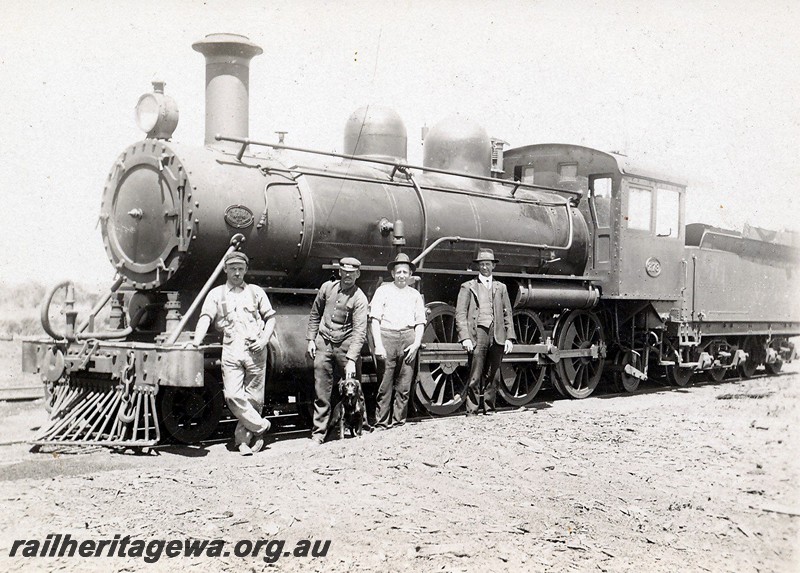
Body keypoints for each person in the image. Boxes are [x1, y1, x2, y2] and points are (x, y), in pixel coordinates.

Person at [190, 251, 276, 455]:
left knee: (254, 399)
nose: (237, 273)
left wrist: (264, 340)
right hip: (231, 350)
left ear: (246, 270)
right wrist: (196, 340)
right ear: (225, 270)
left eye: (240, 269)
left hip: (255, 350)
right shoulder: (216, 294)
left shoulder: (256, 292)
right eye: (233, 269)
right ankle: (261, 427)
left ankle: (243, 442)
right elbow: (205, 317)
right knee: (232, 396)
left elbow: (271, 318)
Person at [306, 257, 369, 445]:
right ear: (340, 272)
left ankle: (362, 428)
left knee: (355, 388)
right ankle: (319, 433)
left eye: (352, 273)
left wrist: (351, 359)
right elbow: (315, 314)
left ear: (358, 274)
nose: (348, 276)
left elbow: (360, 331)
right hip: (324, 342)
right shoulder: (327, 288)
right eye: (345, 272)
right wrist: (311, 339)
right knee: (321, 389)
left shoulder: (360, 298)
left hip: (346, 345)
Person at [455, 248, 516, 415]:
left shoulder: (501, 288)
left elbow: (507, 312)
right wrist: (465, 337)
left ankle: (489, 408)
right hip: (478, 333)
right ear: (478, 266)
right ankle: (472, 409)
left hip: (496, 334)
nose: (485, 267)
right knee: (475, 373)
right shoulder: (467, 287)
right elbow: (460, 313)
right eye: (482, 264)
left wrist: (510, 337)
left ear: (493, 266)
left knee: (494, 374)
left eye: (488, 264)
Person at [369, 253, 426, 429]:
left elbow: (420, 322)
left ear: (410, 275)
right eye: (398, 272)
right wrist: (378, 344)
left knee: (404, 384)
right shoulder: (382, 291)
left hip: (408, 338)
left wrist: (416, 344)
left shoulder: (415, 294)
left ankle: (399, 422)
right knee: (385, 383)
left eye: (405, 272)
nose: (402, 275)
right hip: (388, 337)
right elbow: (375, 320)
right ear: (393, 274)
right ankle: (381, 423)